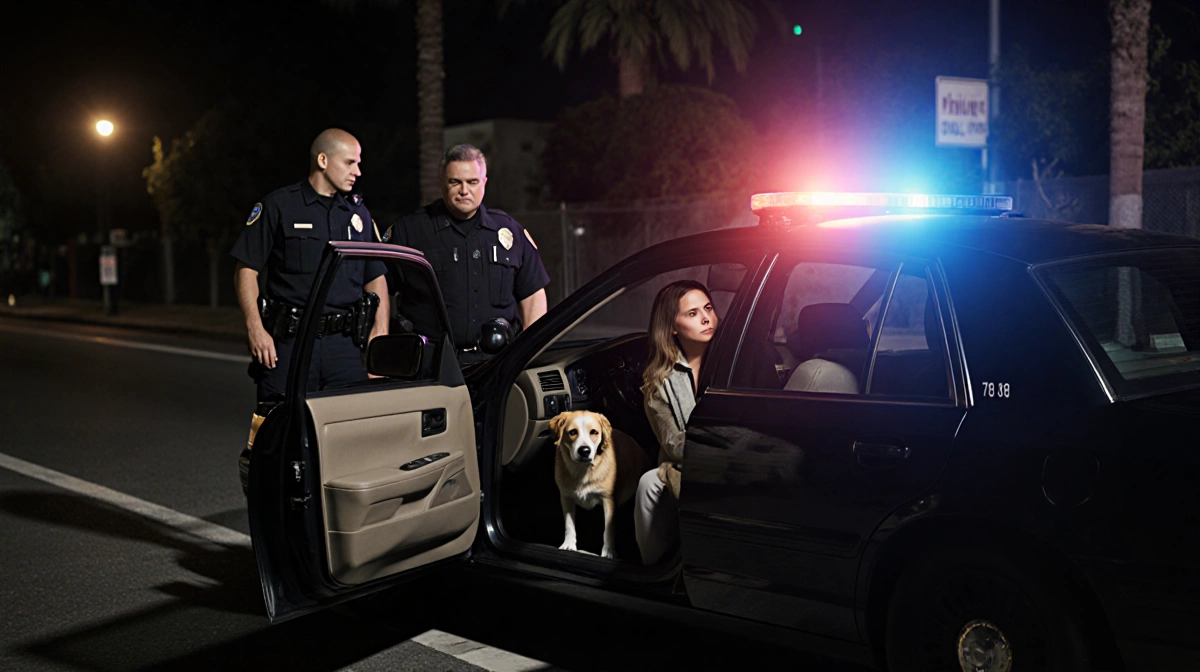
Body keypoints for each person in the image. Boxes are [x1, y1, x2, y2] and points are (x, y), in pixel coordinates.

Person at [230, 128, 390, 411]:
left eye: (358, 163)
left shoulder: (358, 215)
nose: (357, 171)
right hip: (290, 343)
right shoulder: (280, 206)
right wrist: (255, 328)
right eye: (350, 162)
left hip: (345, 346)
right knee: (278, 426)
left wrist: (380, 335)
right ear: (323, 160)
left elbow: (375, 276)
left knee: (349, 428)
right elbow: (246, 270)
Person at [383, 144, 549, 364]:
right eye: (455, 182)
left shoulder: (509, 231)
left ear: (484, 183)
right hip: (430, 365)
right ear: (441, 182)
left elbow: (533, 296)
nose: (464, 190)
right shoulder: (410, 231)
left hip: (496, 364)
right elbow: (380, 290)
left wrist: (527, 355)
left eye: (472, 182)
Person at [634, 279, 719, 566]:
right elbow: (673, 444)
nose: (706, 318)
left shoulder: (734, 357)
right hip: (687, 467)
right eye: (692, 313)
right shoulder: (658, 381)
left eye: (708, 308)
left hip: (732, 463)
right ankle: (654, 570)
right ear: (672, 327)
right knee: (649, 483)